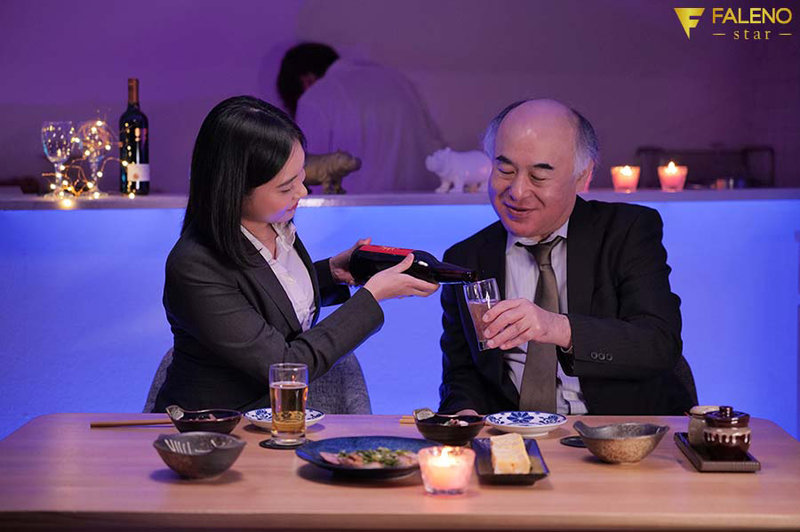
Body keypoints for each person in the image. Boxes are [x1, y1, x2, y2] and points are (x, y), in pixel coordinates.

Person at [154, 96, 438, 412]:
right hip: (213, 428)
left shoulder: (275, 225)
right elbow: (285, 366)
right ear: (234, 189)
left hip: (273, 422)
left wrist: (331, 272)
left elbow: (266, 295)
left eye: (301, 177)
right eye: (286, 187)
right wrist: (372, 297)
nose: (302, 192)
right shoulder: (195, 266)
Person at [438, 99, 695, 416]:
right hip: (514, 436)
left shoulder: (627, 232)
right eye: (505, 170)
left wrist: (556, 327)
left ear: (582, 176)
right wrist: (464, 413)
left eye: (538, 176)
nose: (517, 191)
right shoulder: (466, 257)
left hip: (617, 433)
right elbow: (461, 373)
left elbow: (659, 344)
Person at [277, 42, 444, 194]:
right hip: (424, 203)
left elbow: (305, 172)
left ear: (306, 81)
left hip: (356, 210)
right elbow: (436, 147)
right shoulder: (398, 80)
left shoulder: (316, 96)